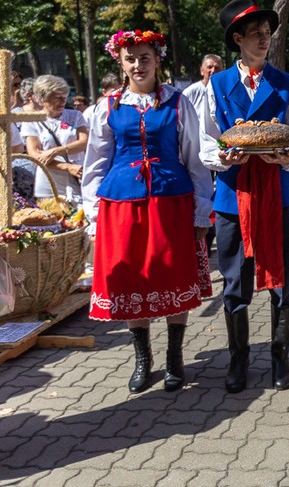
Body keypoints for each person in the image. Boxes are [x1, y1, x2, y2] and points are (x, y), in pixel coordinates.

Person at [82, 29, 214, 393]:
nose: (138, 65)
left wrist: (202, 210)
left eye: (145, 57)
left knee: (173, 276)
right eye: (131, 59)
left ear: (158, 59)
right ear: (121, 64)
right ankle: (143, 358)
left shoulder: (178, 102)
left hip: (171, 203)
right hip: (122, 206)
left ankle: (174, 357)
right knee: (131, 280)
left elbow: (196, 158)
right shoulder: (107, 107)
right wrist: (93, 215)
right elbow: (95, 164)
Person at [199, 0, 289, 393]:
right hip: (232, 195)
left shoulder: (286, 84)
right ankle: (238, 358)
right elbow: (204, 141)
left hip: (278, 194)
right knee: (235, 278)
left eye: (267, 33)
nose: (264, 39)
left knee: (281, 276)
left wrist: (285, 158)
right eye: (256, 34)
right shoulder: (216, 85)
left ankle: (280, 356)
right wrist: (222, 157)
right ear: (238, 39)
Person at [21, 75, 88, 205]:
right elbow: (35, 156)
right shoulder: (32, 120)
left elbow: (84, 142)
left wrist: (56, 151)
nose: (63, 101)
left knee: (81, 221)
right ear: (43, 98)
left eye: (65, 96)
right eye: (58, 97)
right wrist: (67, 167)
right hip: (48, 184)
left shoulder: (75, 116)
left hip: (77, 178)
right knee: (53, 222)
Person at [182, 54, 224, 121]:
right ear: (202, 70)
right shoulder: (190, 92)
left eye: (216, 68)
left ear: (223, 71)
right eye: (209, 67)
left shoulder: (227, 91)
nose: (213, 71)